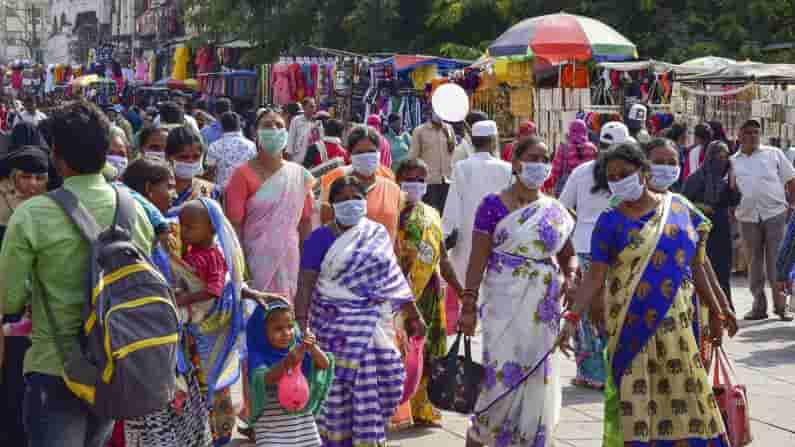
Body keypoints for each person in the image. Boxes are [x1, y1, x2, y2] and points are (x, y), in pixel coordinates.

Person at [0, 101, 155, 447]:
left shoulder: (32, 216)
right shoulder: (133, 209)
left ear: (56, 155)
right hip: (113, 363)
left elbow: (7, 297)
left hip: (54, 365)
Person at [557, 142, 731, 447]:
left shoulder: (676, 209)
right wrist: (572, 318)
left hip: (677, 325)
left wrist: (717, 312)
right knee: (637, 403)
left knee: (686, 396)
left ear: (643, 172)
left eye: (625, 173)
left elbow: (698, 266)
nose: (619, 180)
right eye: (612, 177)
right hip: (629, 327)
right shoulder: (609, 222)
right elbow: (595, 276)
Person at [459, 136, 576, 447]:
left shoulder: (554, 209)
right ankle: (482, 436)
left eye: (545, 158)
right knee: (498, 378)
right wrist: (468, 304)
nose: (539, 164)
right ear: (516, 163)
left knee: (539, 374)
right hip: (502, 304)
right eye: (533, 157)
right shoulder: (492, 205)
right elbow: (477, 258)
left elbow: (568, 254)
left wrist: (572, 275)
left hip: (544, 309)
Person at [294, 175, 426, 447]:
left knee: (387, 380)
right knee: (338, 391)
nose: (351, 203)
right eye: (343, 199)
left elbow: (393, 278)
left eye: (356, 197)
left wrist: (413, 314)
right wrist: (301, 323)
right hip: (331, 325)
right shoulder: (319, 238)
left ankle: (368, 439)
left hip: (371, 323)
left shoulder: (376, 233)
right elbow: (305, 284)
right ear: (331, 206)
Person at [557, 122, 633, 390]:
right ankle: (617, 369)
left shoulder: (580, 172)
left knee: (586, 311)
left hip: (585, 245)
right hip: (619, 249)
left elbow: (562, 207)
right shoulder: (629, 174)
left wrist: (582, 222)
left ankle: (591, 372)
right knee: (616, 307)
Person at [395, 158, 463, 427]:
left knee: (431, 352)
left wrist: (462, 290)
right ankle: (400, 407)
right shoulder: (393, 213)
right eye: (410, 178)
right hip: (401, 295)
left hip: (431, 294)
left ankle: (424, 408)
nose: (416, 184)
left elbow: (443, 259)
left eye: (421, 179)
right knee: (403, 351)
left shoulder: (432, 214)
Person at [225, 108, 314, 298]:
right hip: (253, 260)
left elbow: (305, 222)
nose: (274, 129)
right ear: (256, 134)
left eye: (279, 125)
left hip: (289, 260)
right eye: (267, 125)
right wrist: (240, 268)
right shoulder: (241, 175)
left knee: (284, 318)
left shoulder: (299, 175)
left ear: (286, 133)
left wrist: (307, 264)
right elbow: (234, 227)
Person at [442, 120, 512, 334]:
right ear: (493, 141)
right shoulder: (506, 168)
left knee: (468, 282)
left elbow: (453, 203)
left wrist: (445, 233)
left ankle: (472, 321)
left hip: (469, 234)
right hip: (499, 233)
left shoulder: (462, 167)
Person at [0, 146, 49, 447]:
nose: (31, 184)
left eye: (39, 177)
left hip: (41, 310)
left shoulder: (55, 208)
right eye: (24, 177)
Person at [731, 119, 795, 321]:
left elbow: (791, 180)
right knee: (754, 262)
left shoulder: (773, 154)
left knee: (778, 262)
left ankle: (781, 307)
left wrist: (791, 206)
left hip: (775, 214)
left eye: (756, 132)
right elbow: (729, 190)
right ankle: (758, 306)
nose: (753, 136)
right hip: (747, 216)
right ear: (739, 136)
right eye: (748, 132)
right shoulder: (733, 161)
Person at [246, 299, 333, 447]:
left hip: (302, 426)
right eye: (278, 329)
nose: (286, 333)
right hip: (271, 430)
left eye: (290, 326)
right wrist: (287, 363)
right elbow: (264, 379)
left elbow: (324, 364)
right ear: (261, 331)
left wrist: (312, 348)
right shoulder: (258, 356)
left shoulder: (297, 349)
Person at [683, 141, 742, 310]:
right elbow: (684, 202)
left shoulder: (725, 180)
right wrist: (703, 208)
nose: (721, 161)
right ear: (709, 157)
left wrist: (732, 181)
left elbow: (735, 200)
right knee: (703, 268)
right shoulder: (696, 178)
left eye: (725, 157)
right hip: (701, 230)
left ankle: (725, 307)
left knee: (723, 270)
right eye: (717, 157)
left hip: (722, 229)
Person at [320, 126, 402, 242]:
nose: (366, 156)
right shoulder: (335, 188)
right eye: (360, 152)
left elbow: (396, 233)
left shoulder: (393, 189)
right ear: (349, 154)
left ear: (379, 153)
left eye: (371, 151)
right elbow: (326, 231)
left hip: (385, 258)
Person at [409, 111, 456, 213]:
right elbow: (413, 157)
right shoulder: (419, 131)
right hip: (429, 181)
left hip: (447, 180)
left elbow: (452, 152)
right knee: (430, 215)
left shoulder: (449, 129)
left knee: (446, 216)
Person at [547, 119, 598, 195]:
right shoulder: (593, 148)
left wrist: (550, 185)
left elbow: (556, 170)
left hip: (566, 189)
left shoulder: (564, 148)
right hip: (586, 189)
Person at [207, 111, 257, 189]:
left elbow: (210, 172)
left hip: (222, 192)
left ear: (222, 126)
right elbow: (255, 170)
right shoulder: (251, 145)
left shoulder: (214, 146)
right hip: (245, 190)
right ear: (239, 126)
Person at [286, 97, 322, 165]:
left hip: (312, 162)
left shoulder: (318, 123)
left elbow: (321, 141)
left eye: (314, 106)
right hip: (297, 159)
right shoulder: (296, 120)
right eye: (311, 106)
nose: (313, 109)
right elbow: (291, 139)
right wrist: (289, 160)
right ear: (304, 107)